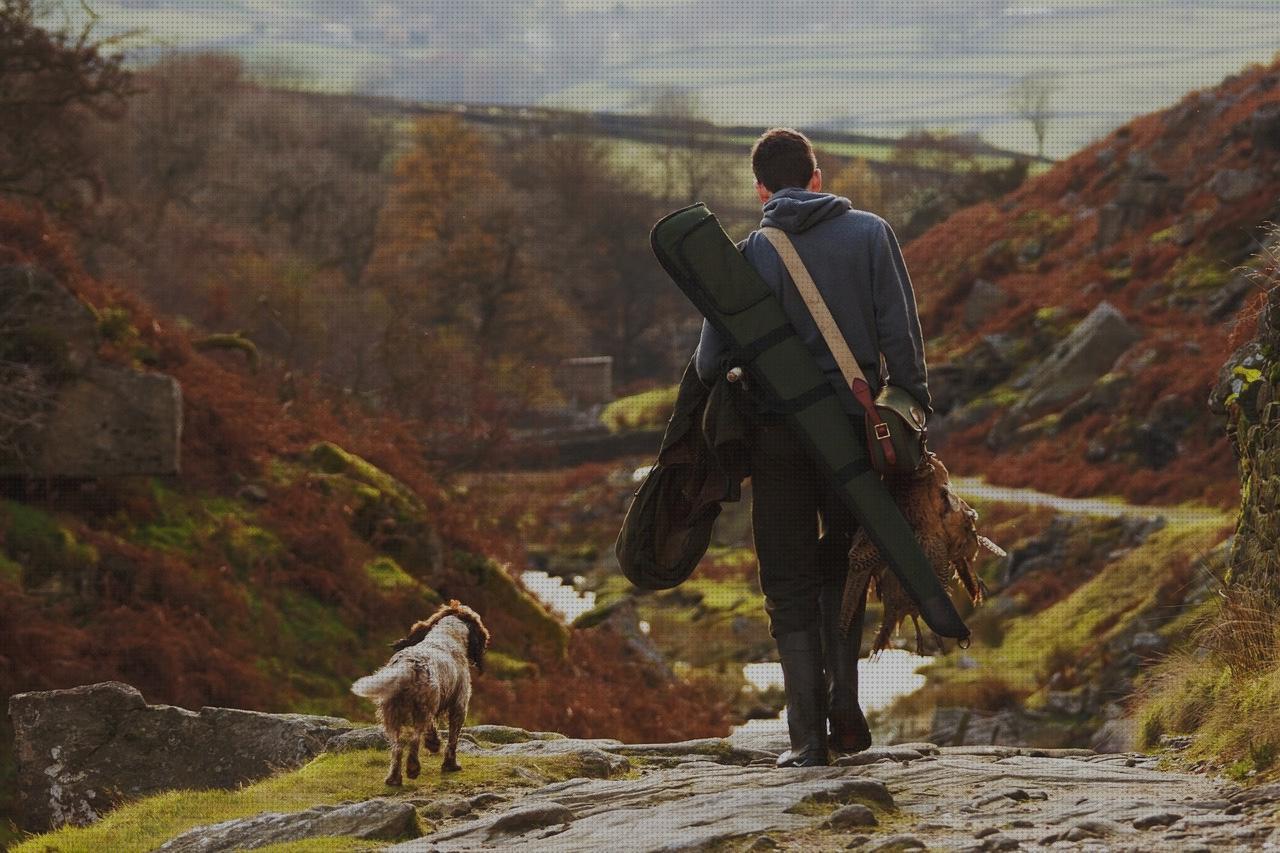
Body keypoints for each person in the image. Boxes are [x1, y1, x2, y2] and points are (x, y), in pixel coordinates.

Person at [693, 127, 932, 767]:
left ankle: (806, 741)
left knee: (788, 582)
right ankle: (847, 711)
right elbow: (903, 345)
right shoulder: (873, 234)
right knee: (846, 569)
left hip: (777, 440)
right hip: (854, 436)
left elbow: (711, 359)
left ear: (762, 190)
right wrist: (908, 417)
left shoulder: (749, 254)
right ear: (818, 178)